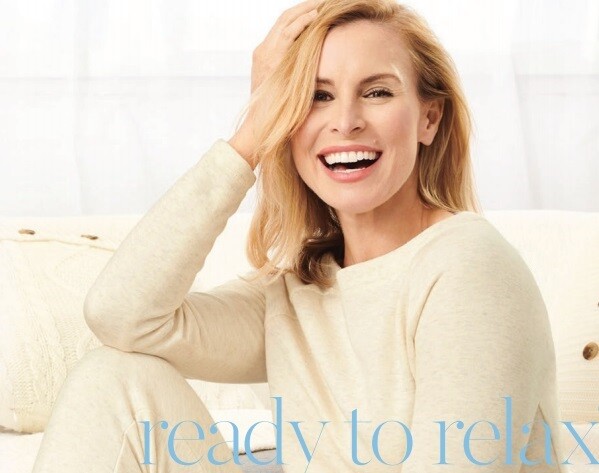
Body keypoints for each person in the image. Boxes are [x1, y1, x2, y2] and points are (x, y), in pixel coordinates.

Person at [33, 0, 566, 471]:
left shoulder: (469, 265)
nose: (346, 121)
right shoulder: (297, 294)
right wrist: (251, 136)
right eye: (316, 96)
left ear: (429, 118)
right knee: (111, 378)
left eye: (377, 92)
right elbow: (122, 317)